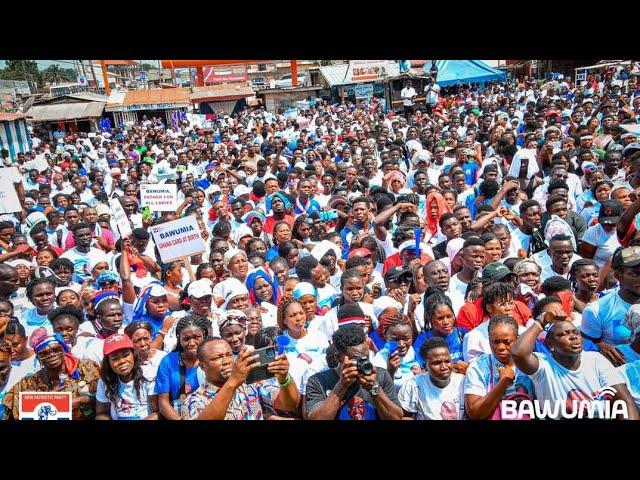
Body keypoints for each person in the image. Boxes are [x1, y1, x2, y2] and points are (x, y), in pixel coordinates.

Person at [511, 311, 639, 420]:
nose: (572, 337)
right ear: (550, 344)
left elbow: (625, 402)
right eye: (563, 334)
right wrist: (540, 322)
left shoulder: (596, 360)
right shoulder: (543, 365)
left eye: (575, 332)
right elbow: (518, 353)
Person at [181, 337, 300, 420]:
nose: (226, 361)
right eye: (218, 357)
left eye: (228, 355)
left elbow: (288, 405)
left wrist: (284, 379)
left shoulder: (251, 385)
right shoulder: (194, 400)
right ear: (202, 366)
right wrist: (233, 382)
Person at [305, 324, 403, 420]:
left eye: (366, 358)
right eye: (356, 359)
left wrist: (374, 388)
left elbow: (396, 417)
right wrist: (342, 385)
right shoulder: (318, 381)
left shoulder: (381, 375)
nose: (363, 363)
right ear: (338, 358)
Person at [2, 328, 100, 420]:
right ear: (38, 359)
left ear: (64, 350)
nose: (51, 355)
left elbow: (109, 398)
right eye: (44, 353)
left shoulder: (88, 368)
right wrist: (47, 399)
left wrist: (81, 400)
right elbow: (13, 409)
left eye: (56, 350)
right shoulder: (29, 382)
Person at [464, 315, 535, 420]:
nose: (501, 347)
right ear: (489, 340)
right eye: (496, 342)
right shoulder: (478, 367)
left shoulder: (532, 363)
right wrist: (502, 383)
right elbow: (474, 413)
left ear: (517, 339)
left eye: (507, 342)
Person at [581, 246, 640, 365]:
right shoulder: (596, 310)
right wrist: (599, 346)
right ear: (618, 276)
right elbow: (584, 345)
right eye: (635, 274)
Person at [155, 315, 210, 420]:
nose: (192, 343)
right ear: (178, 338)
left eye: (196, 337)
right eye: (186, 338)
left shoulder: (212, 358)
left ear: (204, 335)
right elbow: (163, 403)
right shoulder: (168, 361)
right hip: (178, 415)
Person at [398, 337, 465, 420]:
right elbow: (404, 416)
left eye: (447, 361)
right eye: (437, 363)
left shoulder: (462, 382)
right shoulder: (414, 385)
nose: (444, 367)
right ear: (425, 365)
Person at [95, 333, 159, 420]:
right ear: (108, 362)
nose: (122, 361)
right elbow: (101, 413)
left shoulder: (148, 375)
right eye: (115, 359)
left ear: (133, 355)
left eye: (126, 355)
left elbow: (157, 413)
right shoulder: (105, 380)